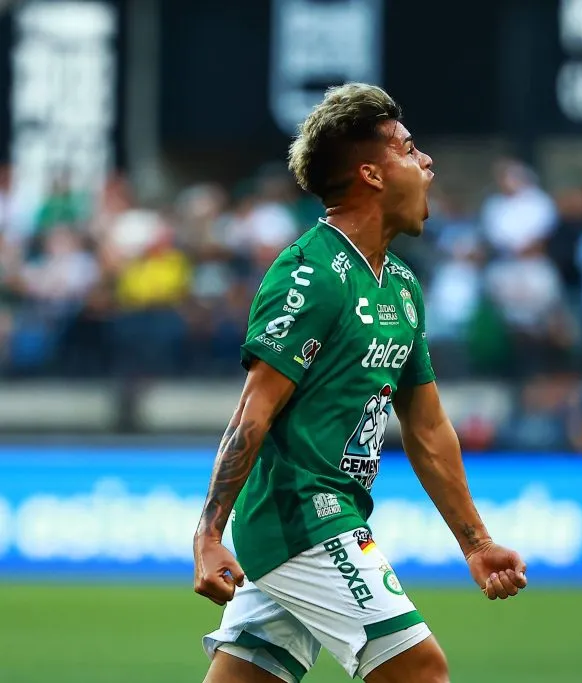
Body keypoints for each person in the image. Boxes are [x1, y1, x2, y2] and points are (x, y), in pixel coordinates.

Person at [192, 83, 527, 683]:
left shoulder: (402, 286)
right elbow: (252, 412)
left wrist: (476, 543)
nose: (427, 162)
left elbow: (427, 427)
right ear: (372, 174)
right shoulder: (311, 273)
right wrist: (208, 533)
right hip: (305, 516)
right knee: (421, 672)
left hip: (328, 515)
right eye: (410, 149)